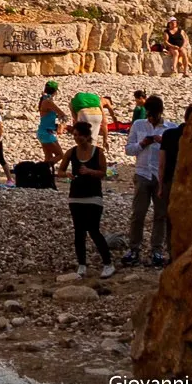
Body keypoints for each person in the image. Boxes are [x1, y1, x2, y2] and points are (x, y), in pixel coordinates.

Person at [57, 119, 115, 279]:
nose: (77, 138)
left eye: (80, 135)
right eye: (75, 135)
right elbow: (60, 171)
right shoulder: (71, 152)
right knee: (79, 231)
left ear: (87, 136)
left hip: (93, 196)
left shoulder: (98, 152)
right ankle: (82, 264)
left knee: (94, 230)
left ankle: (108, 263)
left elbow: (103, 172)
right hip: (75, 196)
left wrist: (90, 171)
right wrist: (66, 174)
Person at [123, 94, 171, 267]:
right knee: (138, 214)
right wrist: (142, 144)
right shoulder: (138, 125)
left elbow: (174, 151)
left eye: (154, 115)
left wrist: (164, 142)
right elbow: (129, 150)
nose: (151, 118)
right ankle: (134, 248)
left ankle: (156, 250)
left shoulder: (169, 128)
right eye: (149, 114)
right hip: (142, 174)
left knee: (160, 215)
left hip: (160, 177)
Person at [36, 82, 68, 163]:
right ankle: (44, 168)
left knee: (48, 157)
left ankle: (44, 170)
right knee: (60, 155)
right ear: (55, 91)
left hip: (42, 131)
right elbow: (62, 114)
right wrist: (63, 122)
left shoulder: (44, 99)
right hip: (47, 133)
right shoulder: (48, 102)